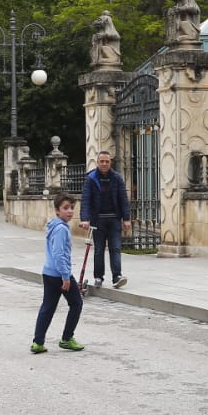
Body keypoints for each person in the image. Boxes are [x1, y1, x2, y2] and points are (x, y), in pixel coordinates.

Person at [32, 194, 84, 354]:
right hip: (59, 275)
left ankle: (38, 342)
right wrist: (66, 276)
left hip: (48, 272)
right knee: (76, 303)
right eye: (65, 208)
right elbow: (59, 254)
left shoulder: (54, 226)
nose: (70, 211)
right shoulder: (61, 228)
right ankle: (67, 338)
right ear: (57, 210)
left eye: (72, 208)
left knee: (47, 307)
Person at [79, 150, 132, 289]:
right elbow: (85, 200)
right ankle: (98, 277)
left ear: (110, 163)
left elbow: (123, 199)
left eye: (107, 161)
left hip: (114, 218)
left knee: (115, 248)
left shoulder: (117, 178)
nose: (104, 164)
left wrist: (126, 219)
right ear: (97, 162)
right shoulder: (91, 179)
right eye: (101, 161)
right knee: (99, 250)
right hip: (98, 220)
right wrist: (85, 219)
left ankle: (117, 276)